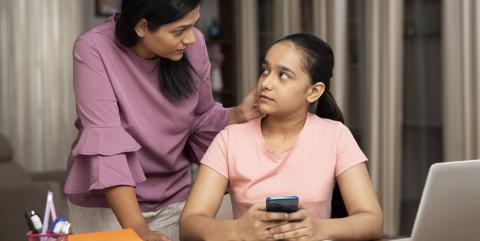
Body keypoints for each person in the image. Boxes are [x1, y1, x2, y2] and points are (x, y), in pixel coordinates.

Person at [63, 1, 261, 241]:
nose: (190, 38)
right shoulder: (93, 48)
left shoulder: (194, 44)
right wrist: (138, 229)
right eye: (179, 30)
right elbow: (106, 145)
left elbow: (201, 119)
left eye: (193, 25)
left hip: (175, 200)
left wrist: (238, 115)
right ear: (142, 27)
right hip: (107, 206)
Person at [180, 33, 384, 241]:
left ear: (314, 92)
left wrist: (320, 228)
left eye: (283, 75)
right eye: (265, 71)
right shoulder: (229, 139)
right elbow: (189, 225)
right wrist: (237, 231)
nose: (266, 83)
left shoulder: (336, 135)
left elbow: (371, 220)